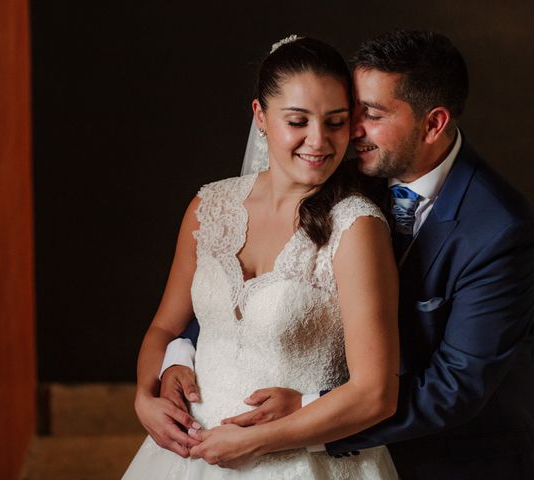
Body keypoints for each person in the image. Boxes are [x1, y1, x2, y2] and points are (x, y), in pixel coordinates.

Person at [159, 30, 534, 479]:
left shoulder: (500, 229)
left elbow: (454, 389)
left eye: (369, 114)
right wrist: (179, 351)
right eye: (352, 111)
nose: (350, 131)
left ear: (433, 124)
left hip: (457, 460)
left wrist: (308, 409)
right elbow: (237, 279)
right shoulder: (339, 174)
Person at [122, 36, 400, 479]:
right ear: (261, 117)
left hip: (302, 463)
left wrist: (254, 442)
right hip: (190, 457)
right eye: (298, 121)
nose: (318, 141)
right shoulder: (208, 208)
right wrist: (144, 396)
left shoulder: (356, 228)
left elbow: (376, 393)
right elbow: (164, 327)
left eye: (335, 122)